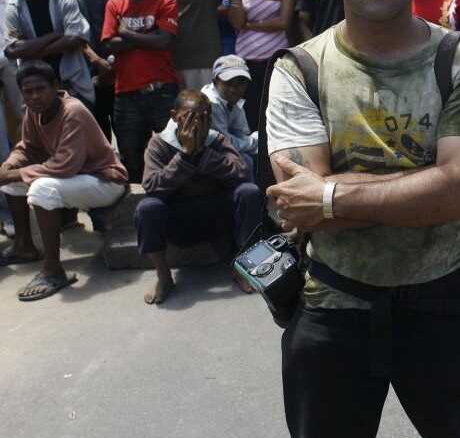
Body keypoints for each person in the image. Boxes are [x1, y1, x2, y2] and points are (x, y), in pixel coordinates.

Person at [265, 0, 460, 438]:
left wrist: (329, 195)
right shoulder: (299, 69)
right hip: (334, 304)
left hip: (451, 302)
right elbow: (300, 207)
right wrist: (433, 185)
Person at [0, 61, 127, 299]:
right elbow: (27, 149)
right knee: (9, 181)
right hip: (76, 179)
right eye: (28, 91)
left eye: (41, 89)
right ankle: (24, 247)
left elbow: (64, 165)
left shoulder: (73, 111)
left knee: (41, 189)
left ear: (55, 86)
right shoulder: (33, 112)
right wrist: (8, 167)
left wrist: (12, 173)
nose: (35, 96)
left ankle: (53, 270)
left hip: (104, 180)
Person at [135, 89, 263, 304]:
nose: (198, 124)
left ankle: (243, 268)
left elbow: (241, 171)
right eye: (190, 117)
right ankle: (164, 277)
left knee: (249, 192)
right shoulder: (159, 144)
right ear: (175, 116)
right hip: (179, 220)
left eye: (204, 117)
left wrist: (203, 154)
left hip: (218, 217)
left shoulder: (216, 140)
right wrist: (185, 156)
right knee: (147, 208)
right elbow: (151, 185)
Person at [101, 0, 179, 183]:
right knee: (131, 158)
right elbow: (109, 44)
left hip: (161, 91)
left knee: (174, 152)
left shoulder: (165, 2)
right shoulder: (115, 3)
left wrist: (126, 33)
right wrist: (148, 35)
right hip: (126, 95)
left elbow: (164, 42)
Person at [2, 0, 94, 107]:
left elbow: (75, 39)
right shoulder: (14, 8)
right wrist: (54, 36)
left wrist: (31, 51)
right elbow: (11, 50)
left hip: (70, 80)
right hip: (36, 87)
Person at [228, 0, 294, 131]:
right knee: (251, 117)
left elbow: (283, 22)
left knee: (277, 115)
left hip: (274, 60)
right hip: (246, 62)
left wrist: (251, 25)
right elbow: (237, 23)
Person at [66, 0, 119, 140]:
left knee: (124, 129)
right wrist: (96, 60)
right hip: (86, 68)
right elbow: (73, 30)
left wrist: (110, 61)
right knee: (97, 132)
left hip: (118, 64)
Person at [201, 55, 257, 168]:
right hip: (198, 157)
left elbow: (241, 132)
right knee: (245, 161)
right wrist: (255, 141)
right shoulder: (210, 103)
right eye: (228, 82)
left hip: (215, 152)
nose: (234, 88)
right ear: (215, 81)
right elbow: (224, 143)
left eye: (241, 82)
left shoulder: (232, 99)